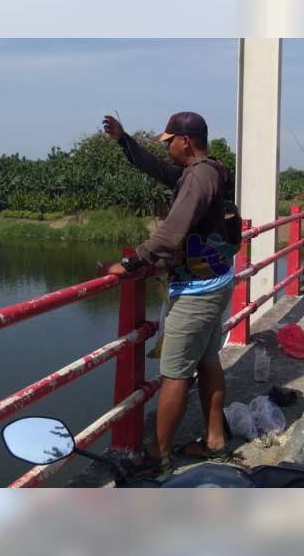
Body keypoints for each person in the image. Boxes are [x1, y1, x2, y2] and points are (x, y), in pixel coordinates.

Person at [100, 111, 235, 477]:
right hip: (215, 281)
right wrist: (125, 142)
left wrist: (132, 263)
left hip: (196, 291)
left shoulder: (199, 176)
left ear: (185, 142)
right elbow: (158, 170)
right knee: (208, 362)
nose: (168, 147)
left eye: (170, 141)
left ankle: (157, 457)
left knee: (175, 374)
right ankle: (215, 441)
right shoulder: (208, 170)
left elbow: (172, 230)